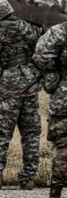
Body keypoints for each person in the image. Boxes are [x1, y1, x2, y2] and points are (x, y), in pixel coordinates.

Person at [0, 0, 43, 190]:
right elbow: (40, 51)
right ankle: (29, 178)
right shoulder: (30, 28)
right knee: (31, 133)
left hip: (8, 85)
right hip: (31, 84)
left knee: (0, 131)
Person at [33, 22, 67, 198]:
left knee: (62, 145)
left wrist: (55, 73)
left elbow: (41, 56)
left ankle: (56, 190)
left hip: (64, 98)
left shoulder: (59, 32)